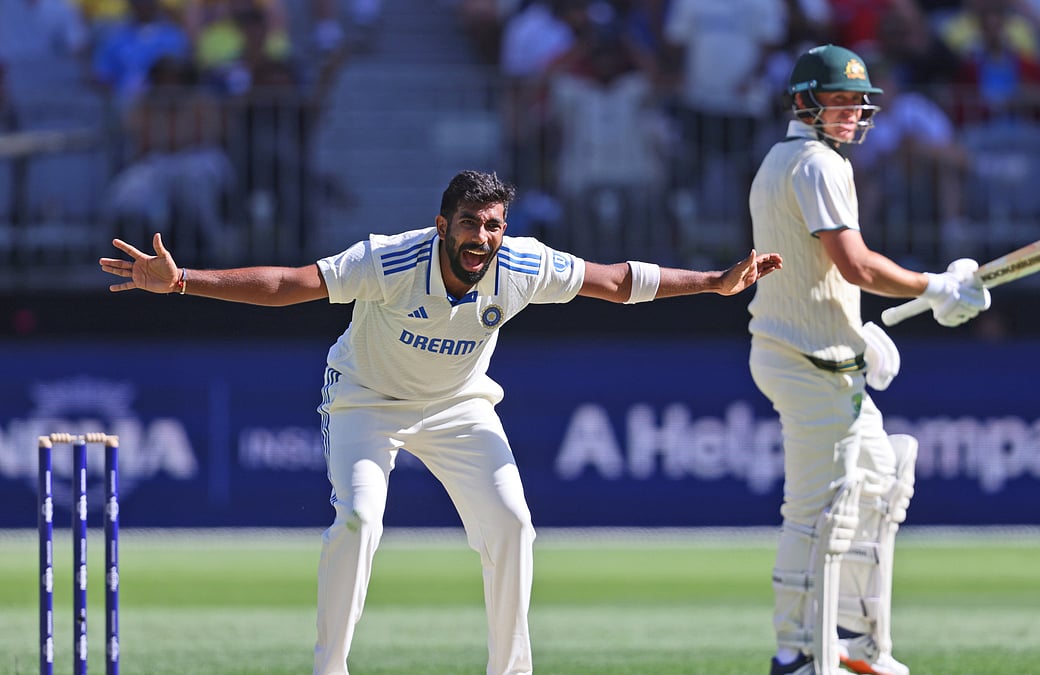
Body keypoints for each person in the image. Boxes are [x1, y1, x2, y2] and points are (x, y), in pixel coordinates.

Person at [98, 169, 783, 675]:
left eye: (493, 225)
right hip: (365, 398)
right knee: (359, 519)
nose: (481, 238)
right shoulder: (390, 260)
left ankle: (510, 670)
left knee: (513, 522)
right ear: (441, 225)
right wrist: (183, 278)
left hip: (458, 406)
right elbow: (290, 284)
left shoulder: (521, 264)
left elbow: (615, 281)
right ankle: (328, 667)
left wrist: (714, 281)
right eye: (469, 224)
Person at [746, 44, 990, 675]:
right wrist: (934, 287)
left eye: (860, 100)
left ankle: (853, 642)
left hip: (820, 355)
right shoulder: (815, 165)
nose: (854, 110)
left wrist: (856, 333)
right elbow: (854, 263)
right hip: (805, 362)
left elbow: (818, 275)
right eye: (841, 98)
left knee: (883, 482)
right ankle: (797, 652)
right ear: (805, 102)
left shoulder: (786, 160)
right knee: (822, 508)